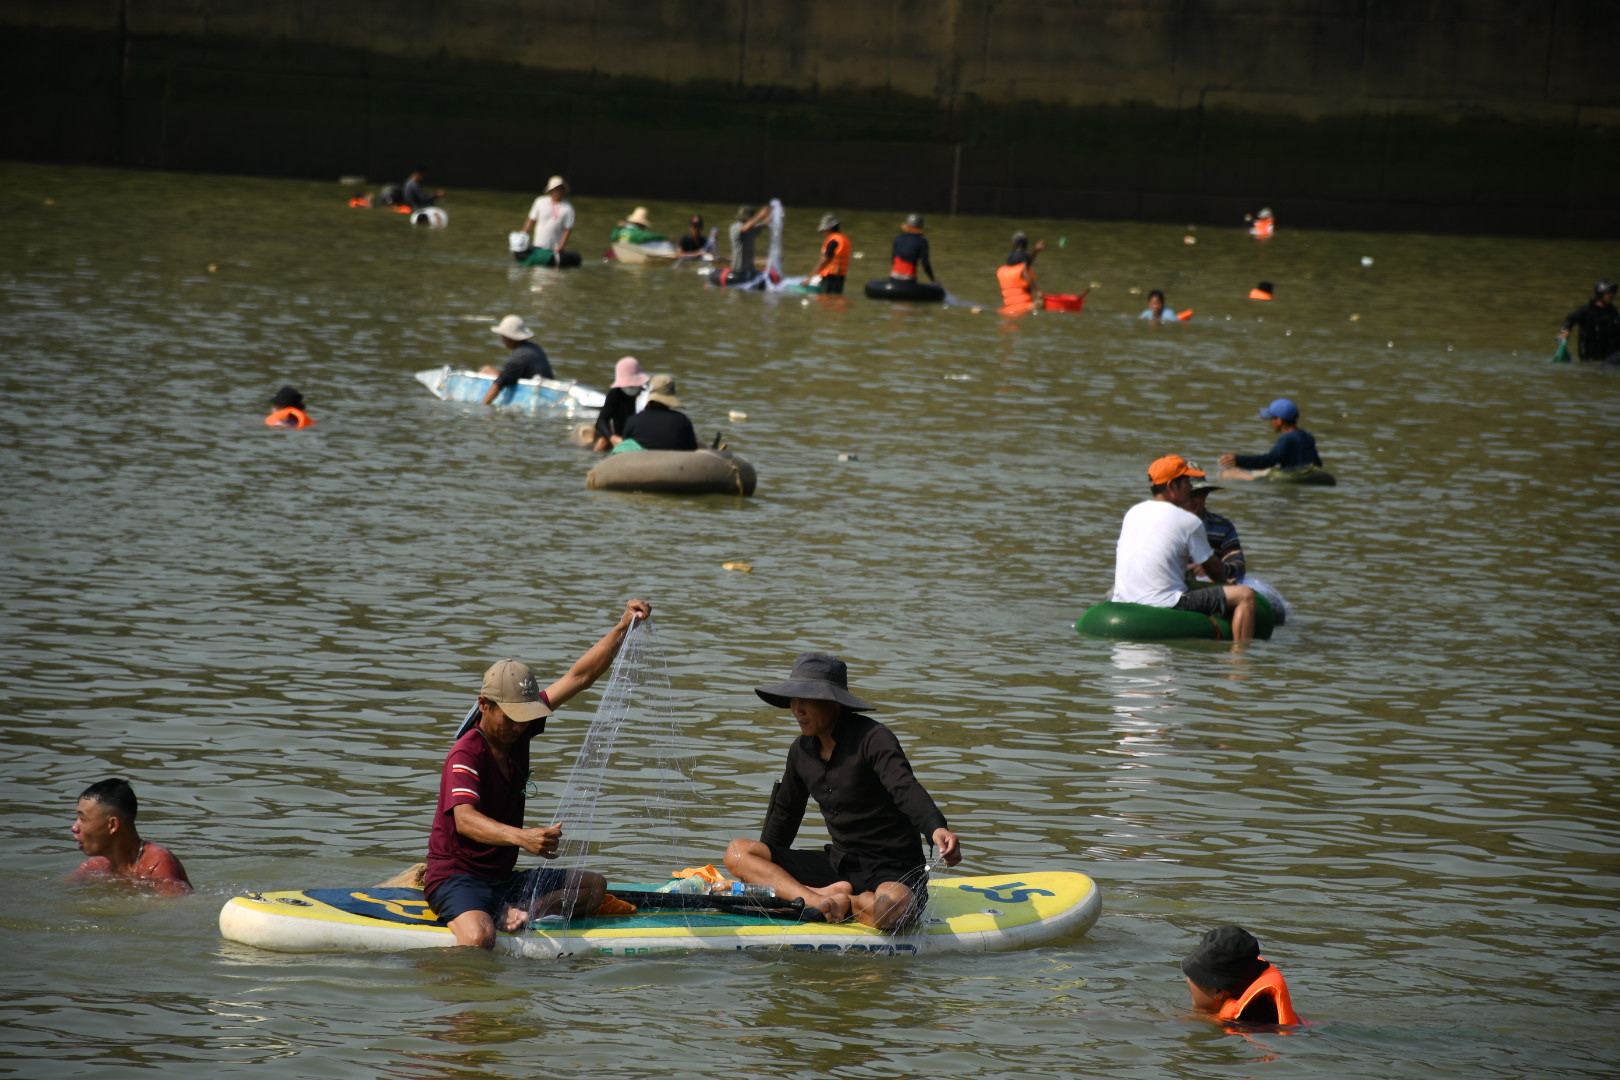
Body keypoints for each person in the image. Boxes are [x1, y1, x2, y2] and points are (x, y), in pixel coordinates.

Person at [425, 599, 652, 949]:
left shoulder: (520, 729)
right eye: (511, 717)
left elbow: (580, 676)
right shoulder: (466, 753)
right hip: (458, 879)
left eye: (525, 716)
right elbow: (465, 820)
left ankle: (522, 910)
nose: (520, 726)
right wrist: (523, 838)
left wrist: (623, 626)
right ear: (484, 704)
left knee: (593, 886)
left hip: (502, 878)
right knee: (479, 938)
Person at [723, 653, 962, 928]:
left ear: (834, 703)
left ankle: (847, 903)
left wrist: (936, 829)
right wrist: (761, 877)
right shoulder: (800, 751)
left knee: (892, 909)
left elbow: (905, 787)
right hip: (840, 866)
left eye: (806, 701)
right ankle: (817, 902)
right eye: (793, 700)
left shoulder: (873, 738)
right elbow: (785, 817)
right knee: (738, 853)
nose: (797, 710)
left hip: (892, 869)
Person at [1113, 455, 1257, 641]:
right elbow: (1216, 574)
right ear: (1172, 486)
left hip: (1125, 598)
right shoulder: (1188, 521)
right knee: (1245, 595)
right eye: (1187, 483)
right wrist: (1220, 580)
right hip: (1166, 601)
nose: (1190, 489)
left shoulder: (1133, 512)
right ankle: (1241, 659)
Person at [70, 778, 192, 895]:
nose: (74, 827)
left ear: (112, 825)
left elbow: (172, 909)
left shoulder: (157, 862)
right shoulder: (97, 866)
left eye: (82, 819)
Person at [1182, 925, 1301, 1025]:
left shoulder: (1248, 1026)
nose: (1188, 980)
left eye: (1194, 977)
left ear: (1218, 991)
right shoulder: (1262, 1011)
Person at [1218, 398, 1323, 477]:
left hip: (1293, 477)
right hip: (1308, 475)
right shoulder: (1307, 436)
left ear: (1279, 420)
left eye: (1271, 419)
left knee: (1228, 473)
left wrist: (1238, 460)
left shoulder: (1286, 438)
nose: (1270, 422)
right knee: (1261, 471)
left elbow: (1268, 461)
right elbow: (1317, 463)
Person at [1184, 470, 1245, 584]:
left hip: (1209, 586)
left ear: (1205, 494)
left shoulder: (1223, 527)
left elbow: (1238, 567)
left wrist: (1212, 569)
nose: (1189, 501)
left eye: (1195, 495)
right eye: (1185, 495)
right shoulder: (1163, 524)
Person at [480, 316, 554, 405]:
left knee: (487, 371)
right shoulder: (534, 348)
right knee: (487, 369)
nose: (502, 340)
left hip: (536, 392)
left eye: (504, 336)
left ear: (511, 338)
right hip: (543, 384)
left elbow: (499, 384)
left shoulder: (519, 357)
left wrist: (483, 405)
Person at [617, 374, 698, 451]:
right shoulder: (682, 420)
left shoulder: (633, 420)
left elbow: (626, 447)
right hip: (674, 464)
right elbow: (692, 449)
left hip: (640, 463)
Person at [592, 356, 650, 452]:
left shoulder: (647, 396)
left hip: (641, 437)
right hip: (621, 438)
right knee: (602, 442)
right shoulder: (615, 394)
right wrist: (611, 437)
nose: (631, 387)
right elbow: (602, 420)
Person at [1559, 279, 1620, 363]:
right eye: (1608, 293)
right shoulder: (1586, 311)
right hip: (1589, 357)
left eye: (1612, 293)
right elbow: (1568, 320)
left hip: (1610, 357)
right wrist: (1564, 331)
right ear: (1600, 294)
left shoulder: (1613, 312)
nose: (1611, 295)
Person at [521, 176, 575, 265]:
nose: (558, 192)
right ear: (550, 190)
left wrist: (561, 247)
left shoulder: (568, 208)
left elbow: (568, 229)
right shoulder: (540, 202)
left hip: (554, 249)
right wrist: (523, 236)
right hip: (538, 246)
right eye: (555, 189)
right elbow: (531, 220)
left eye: (560, 189)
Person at [996, 232, 1044, 314]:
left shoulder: (1010, 256)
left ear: (1013, 243)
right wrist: (1037, 291)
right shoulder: (1024, 255)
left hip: (1009, 303)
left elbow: (1018, 269)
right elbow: (1025, 272)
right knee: (1042, 304)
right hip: (1024, 302)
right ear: (1026, 245)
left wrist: (1036, 251)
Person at [727, 205, 773, 285]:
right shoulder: (734, 227)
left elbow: (765, 224)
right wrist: (759, 215)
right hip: (738, 271)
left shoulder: (752, 228)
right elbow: (744, 229)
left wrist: (770, 214)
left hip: (750, 271)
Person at [807, 213, 851, 294]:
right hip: (840, 277)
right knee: (835, 300)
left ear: (828, 229)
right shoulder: (844, 239)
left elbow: (824, 261)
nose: (823, 233)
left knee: (826, 301)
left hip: (830, 277)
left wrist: (809, 278)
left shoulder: (833, 241)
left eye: (823, 231)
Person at [890, 213, 936, 285]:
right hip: (909, 279)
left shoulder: (898, 238)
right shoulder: (922, 242)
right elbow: (925, 264)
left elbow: (892, 260)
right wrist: (933, 279)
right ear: (920, 226)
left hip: (893, 277)